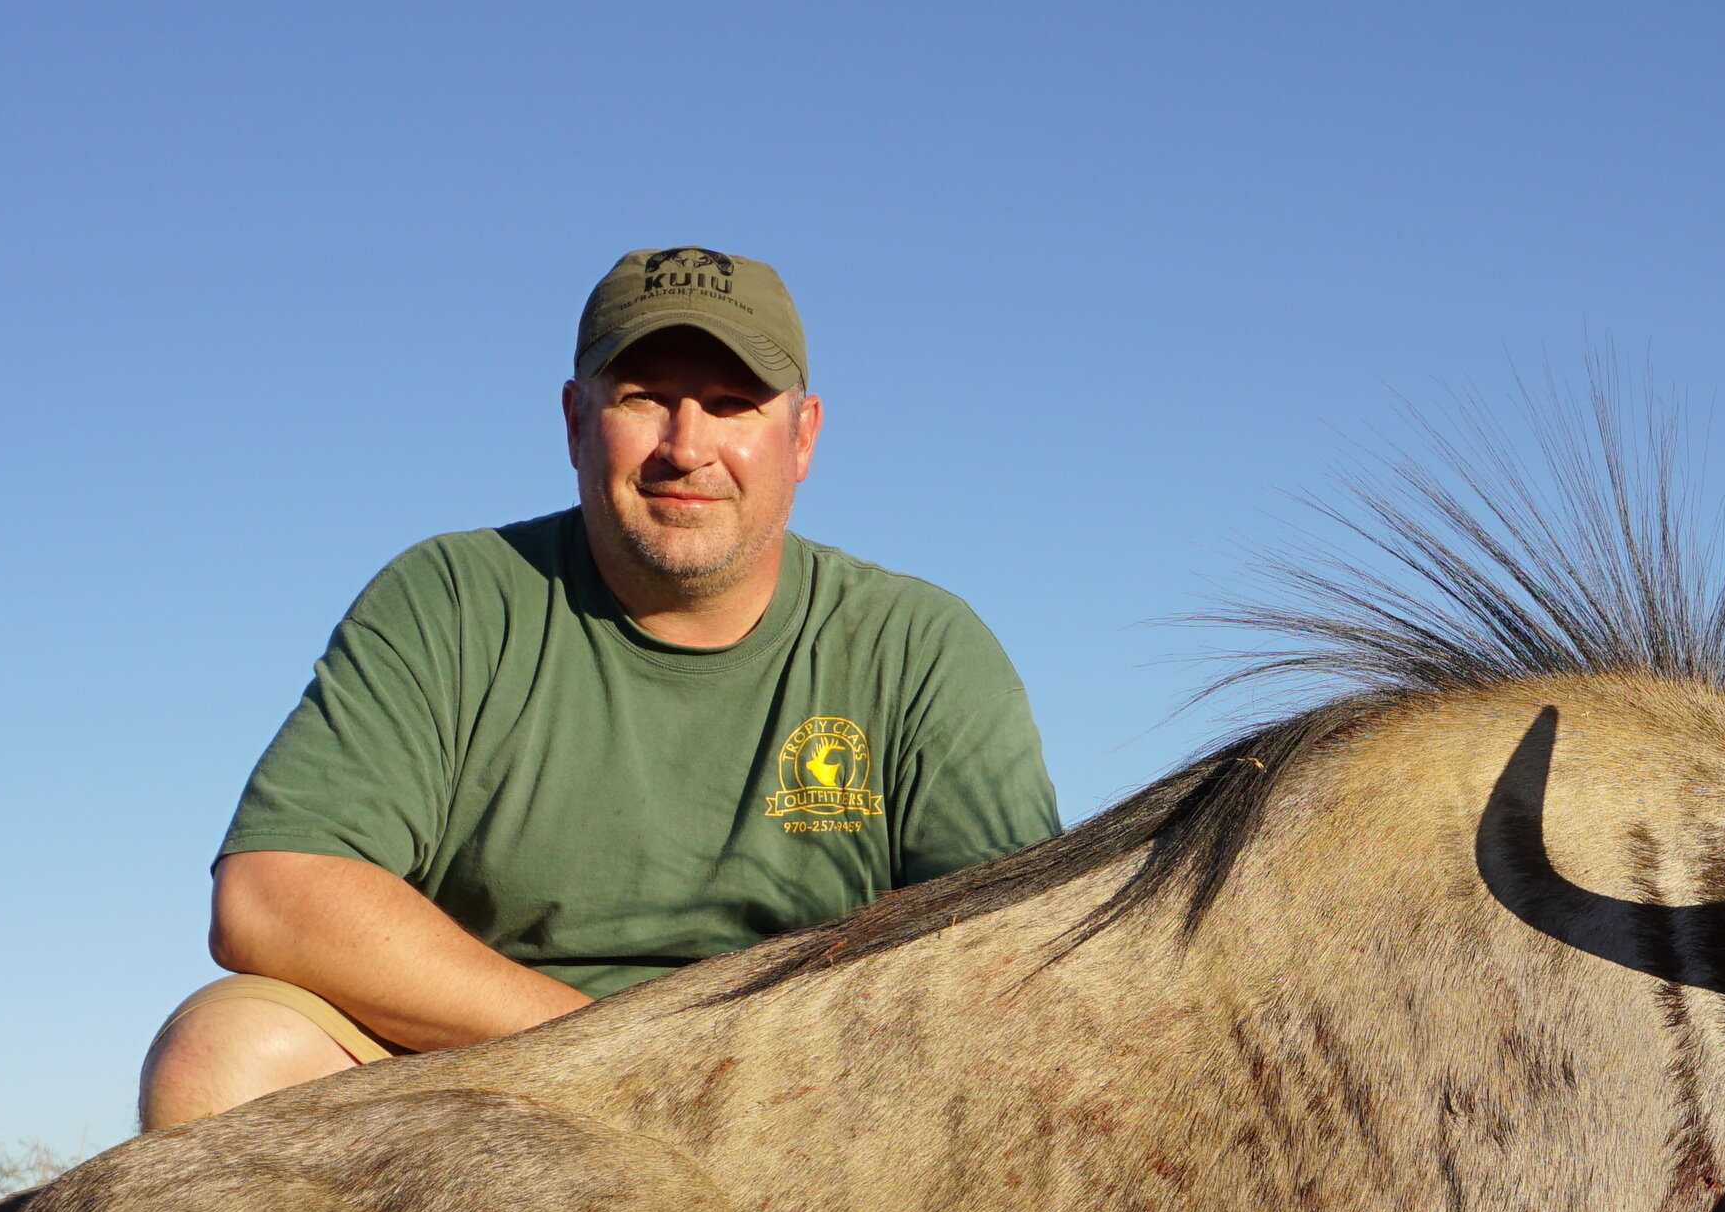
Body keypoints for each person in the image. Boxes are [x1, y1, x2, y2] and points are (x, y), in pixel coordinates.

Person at [137, 246, 1058, 1128]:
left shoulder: (925, 646)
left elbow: (1016, 969)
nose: (686, 447)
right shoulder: (453, 598)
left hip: (806, 1114)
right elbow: (271, 891)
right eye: (644, 399)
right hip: (495, 1095)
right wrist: (630, 1058)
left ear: (803, 435)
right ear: (576, 421)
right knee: (222, 1052)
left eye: (732, 403)